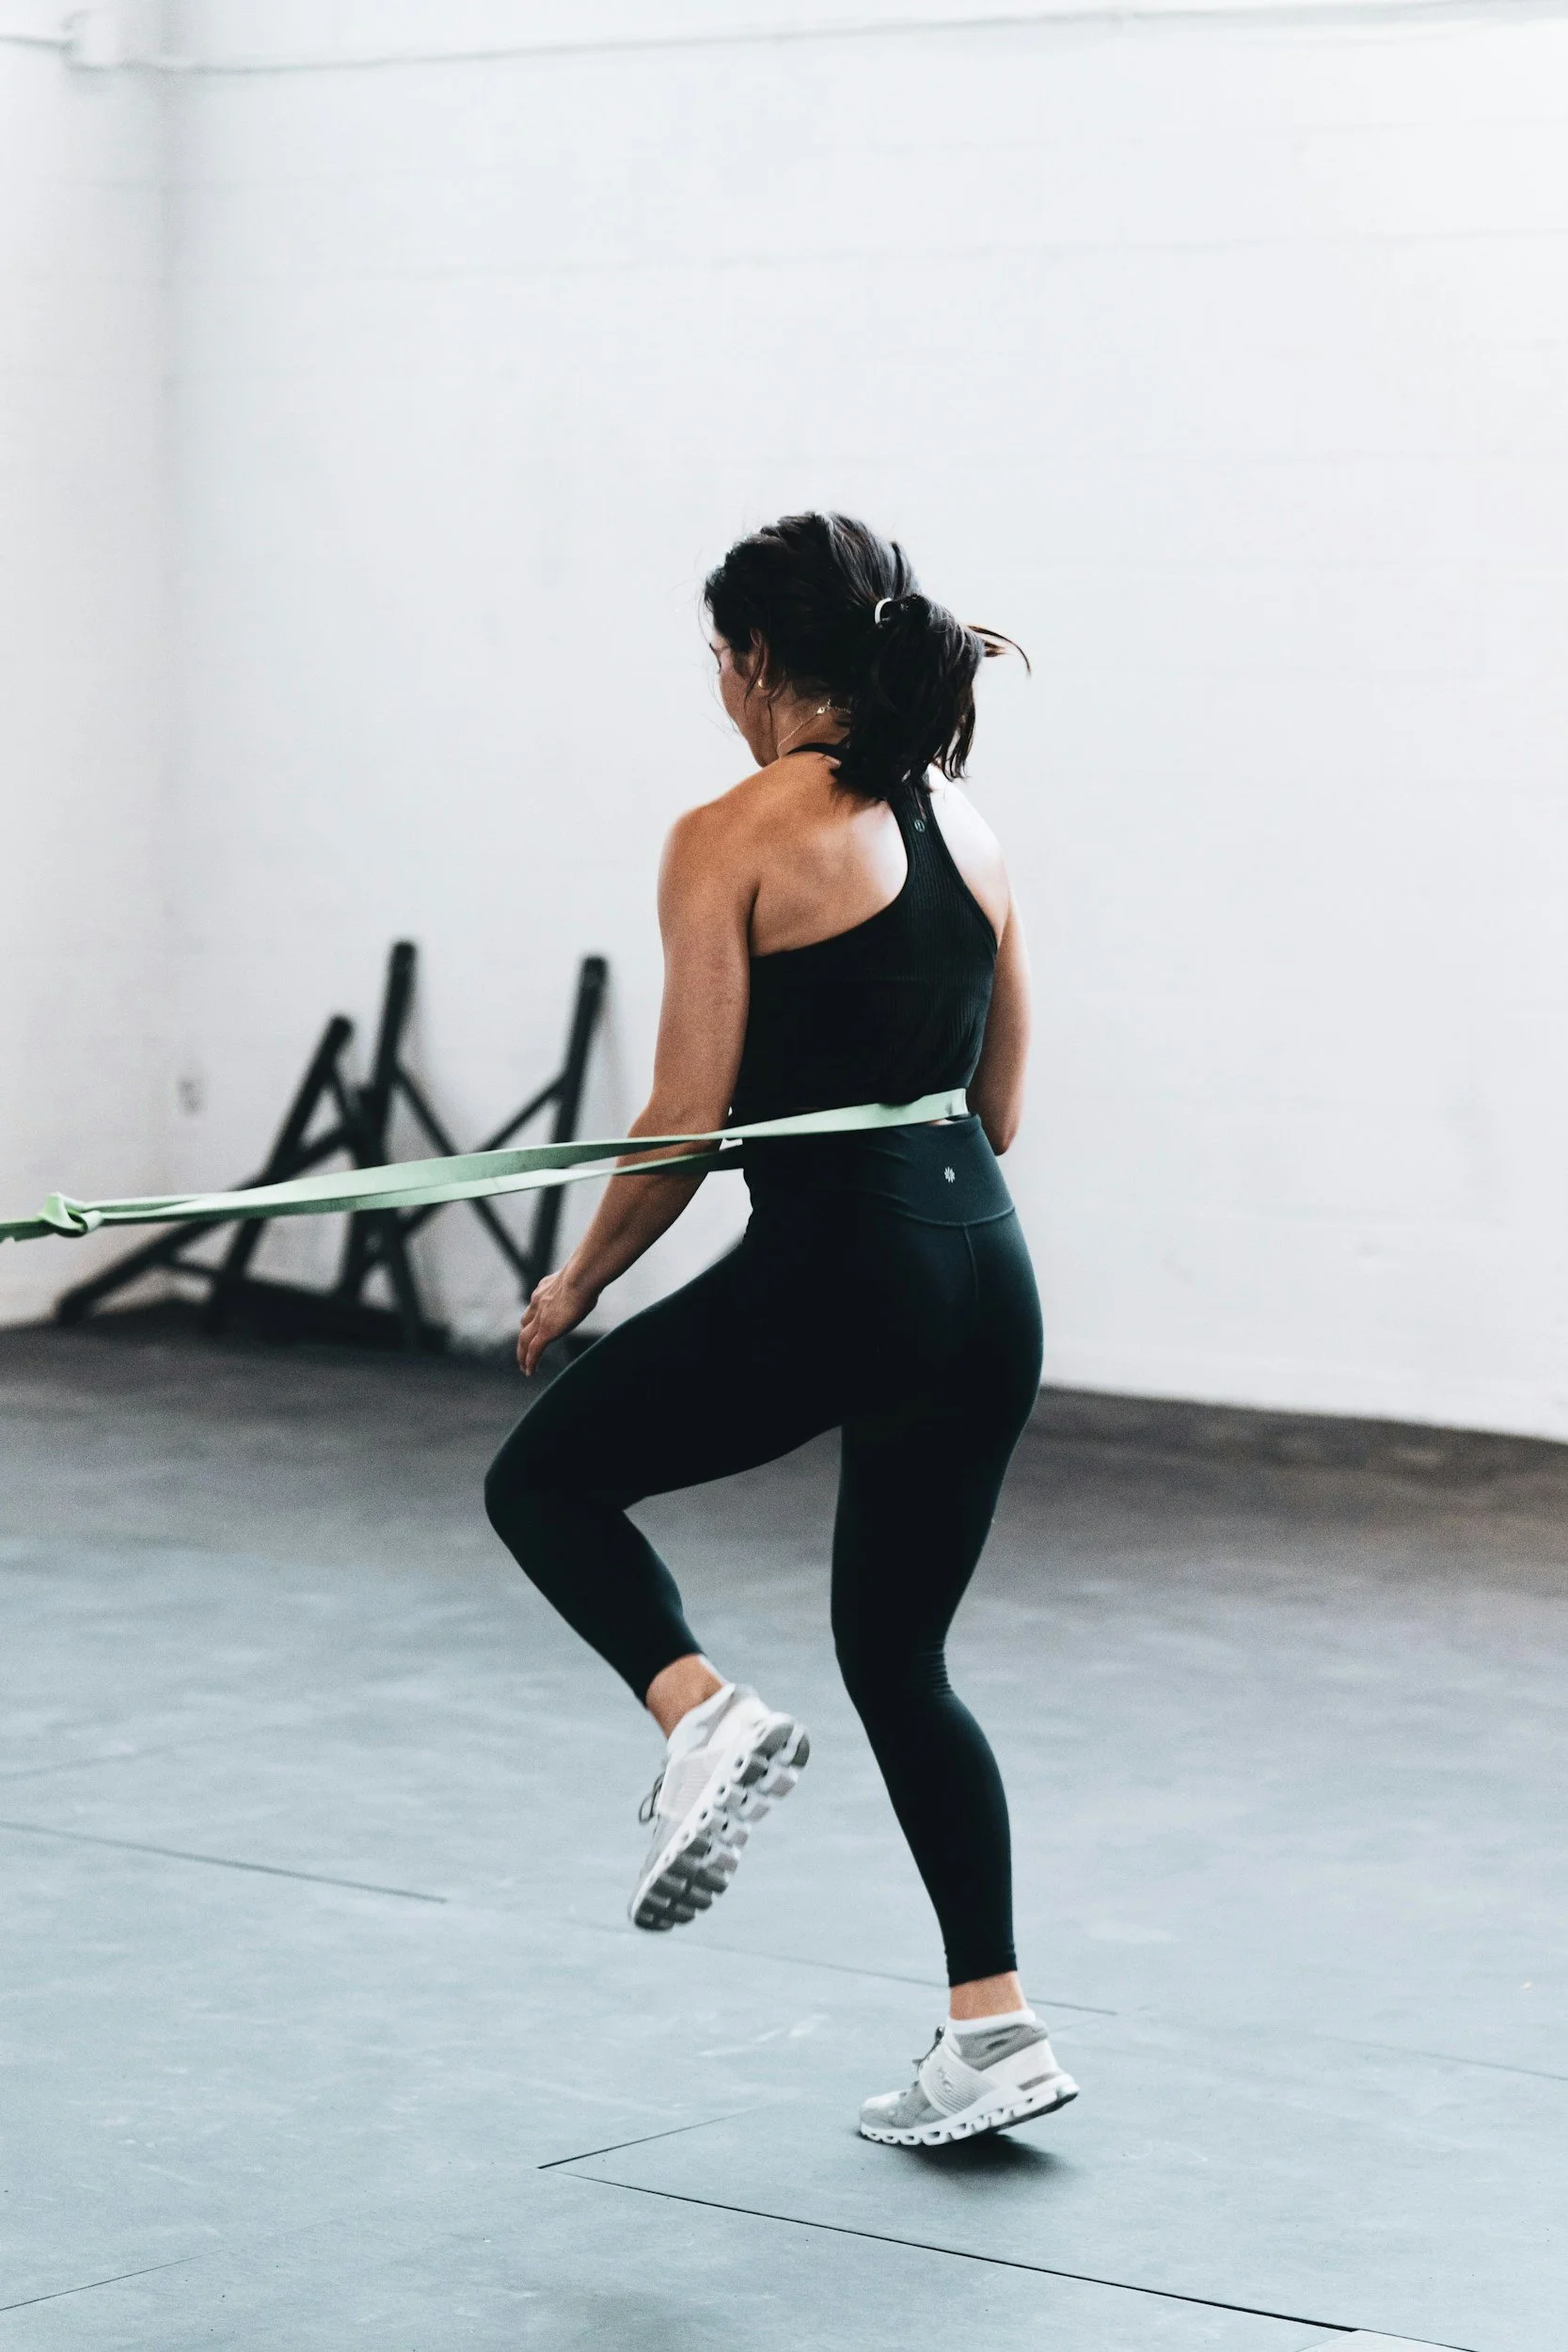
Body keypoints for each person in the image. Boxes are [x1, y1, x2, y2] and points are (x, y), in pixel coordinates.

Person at [483, 512, 1077, 2146]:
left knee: (539, 1487)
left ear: (750, 663)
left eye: (718, 665)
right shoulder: (969, 825)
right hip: (983, 1271)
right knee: (901, 1661)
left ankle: (700, 1712)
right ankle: (993, 2028)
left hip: (850, 1267)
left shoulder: (731, 833)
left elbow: (679, 1120)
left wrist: (578, 1280)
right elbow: (1000, 1108)